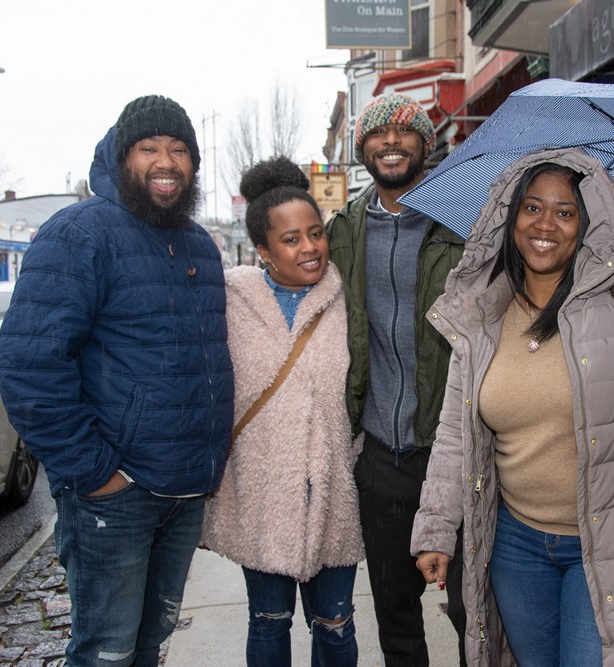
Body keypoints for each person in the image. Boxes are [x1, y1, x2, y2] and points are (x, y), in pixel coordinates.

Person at [411, 147, 614, 666]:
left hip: (613, 544)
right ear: (510, 216)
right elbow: (454, 434)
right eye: (532, 207)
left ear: (588, 223)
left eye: (565, 212)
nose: (546, 225)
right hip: (516, 546)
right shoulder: (484, 314)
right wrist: (436, 529)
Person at [0, 94, 235, 667]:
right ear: (122, 156)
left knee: (150, 645)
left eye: (179, 149)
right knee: (106, 652)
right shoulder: (80, 233)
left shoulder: (199, 244)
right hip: (116, 495)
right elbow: (30, 366)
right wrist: (96, 473)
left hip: (182, 494)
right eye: (149, 148)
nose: (166, 162)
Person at [201, 156, 364, 666]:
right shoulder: (232, 302)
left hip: (334, 492)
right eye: (291, 239)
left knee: (335, 624)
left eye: (315, 233)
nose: (310, 247)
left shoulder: (347, 299)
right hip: (263, 494)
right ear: (264, 250)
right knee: (268, 621)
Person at [326, 92, 467, 666]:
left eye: (405, 132)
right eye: (378, 134)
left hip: (455, 452)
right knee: (396, 616)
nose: (391, 141)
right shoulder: (341, 231)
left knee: (473, 612)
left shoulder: (463, 223)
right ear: (363, 149)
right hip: (382, 456)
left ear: (424, 145)